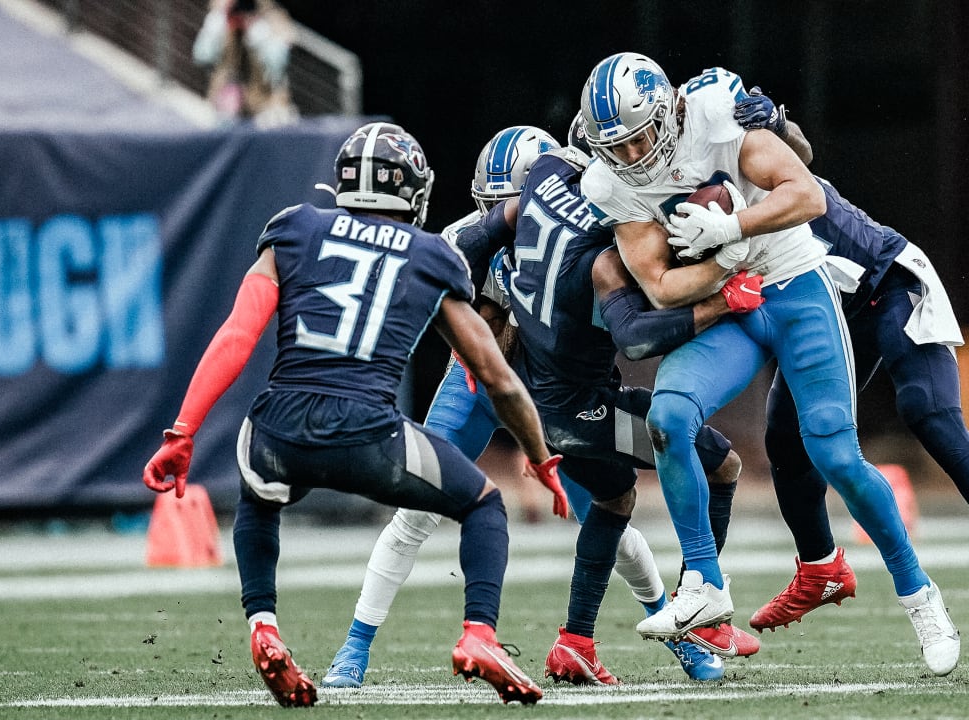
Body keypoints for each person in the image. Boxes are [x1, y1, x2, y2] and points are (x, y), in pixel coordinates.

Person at [141, 122, 565, 707]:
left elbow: (237, 336)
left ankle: (263, 624)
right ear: (412, 192)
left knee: (259, 501)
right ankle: (479, 635)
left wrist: (182, 432)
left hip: (277, 431)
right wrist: (541, 457)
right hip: (369, 434)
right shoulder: (431, 255)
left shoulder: (294, 226)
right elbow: (497, 376)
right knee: (483, 505)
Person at [320, 125, 750, 690]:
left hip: (549, 395)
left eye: (508, 202)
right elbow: (448, 311)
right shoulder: (488, 239)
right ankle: (355, 647)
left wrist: (537, 426)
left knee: (610, 515)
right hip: (485, 386)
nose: (501, 214)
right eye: (492, 205)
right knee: (416, 506)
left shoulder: (578, 243)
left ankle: (673, 634)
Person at [578, 52, 961, 676]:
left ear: (669, 110)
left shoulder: (711, 112)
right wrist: (725, 265)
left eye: (638, 138)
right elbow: (659, 289)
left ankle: (921, 597)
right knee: (670, 416)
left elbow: (805, 194)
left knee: (835, 454)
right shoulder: (611, 180)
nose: (630, 159)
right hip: (727, 302)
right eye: (614, 147)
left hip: (792, 284)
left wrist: (732, 226)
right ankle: (703, 582)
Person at [730, 89, 969, 648]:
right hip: (829, 307)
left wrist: (778, 125)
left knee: (929, 413)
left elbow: (800, 156)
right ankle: (819, 568)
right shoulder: (670, 182)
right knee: (785, 434)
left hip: (886, 281)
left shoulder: (736, 147)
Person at [500, 142, 766, 684]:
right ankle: (704, 612)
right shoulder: (604, 251)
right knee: (723, 465)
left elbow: (492, 231)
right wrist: (719, 302)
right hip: (580, 408)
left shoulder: (546, 175)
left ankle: (574, 642)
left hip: (540, 402)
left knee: (613, 497)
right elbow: (636, 340)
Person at [192, 0, 298, 127]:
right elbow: (203, 56)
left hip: (262, 105)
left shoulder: (267, 31)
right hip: (232, 102)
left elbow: (287, 43)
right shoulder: (229, 30)